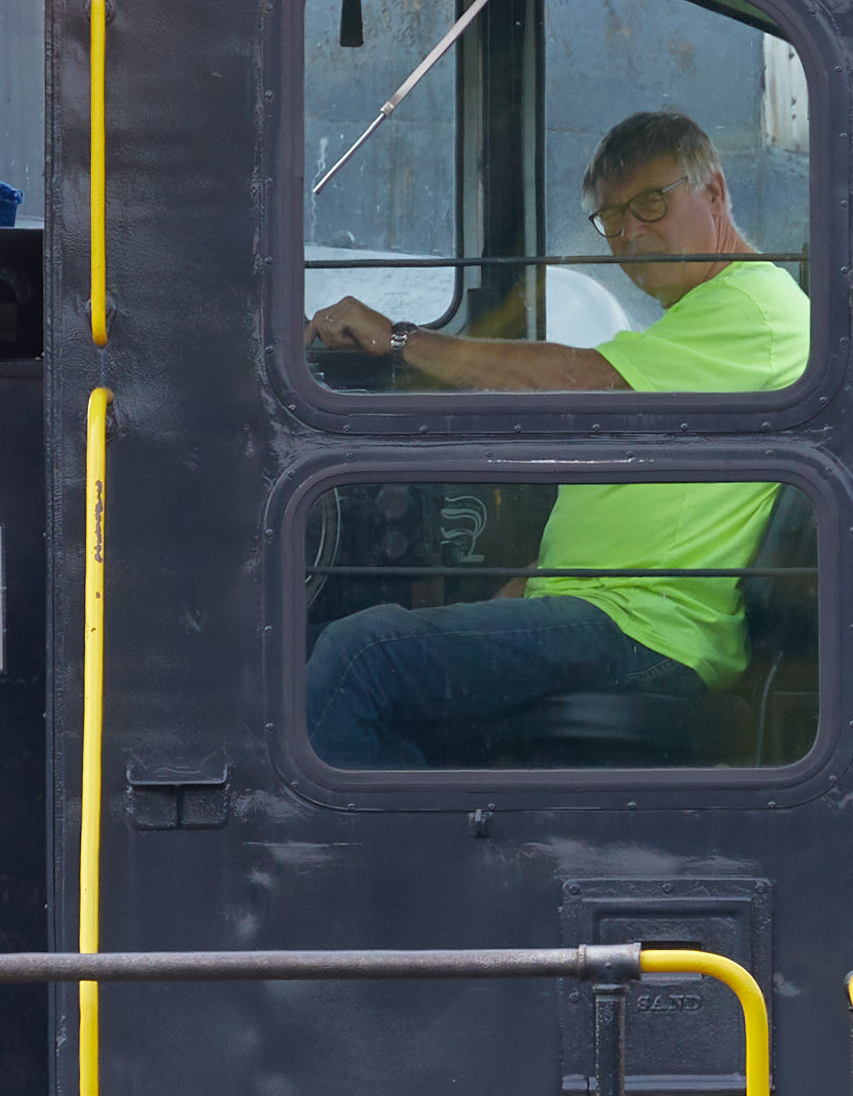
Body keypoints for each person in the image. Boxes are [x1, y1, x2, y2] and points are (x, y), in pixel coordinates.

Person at [303, 113, 807, 766]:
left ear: (713, 192)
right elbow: (624, 526)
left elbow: (580, 378)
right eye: (613, 219)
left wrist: (402, 341)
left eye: (650, 204)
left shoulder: (755, 309)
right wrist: (505, 601)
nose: (630, 234)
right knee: (350, 667)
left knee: (360, 656)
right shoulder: (694, 330)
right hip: (609, 614)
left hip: (643, 633)